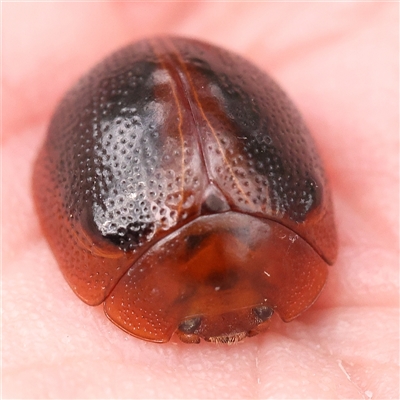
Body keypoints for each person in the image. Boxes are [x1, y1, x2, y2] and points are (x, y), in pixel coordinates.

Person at [3, 2, 398, 398]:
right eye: (259, 308)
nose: (229, 328)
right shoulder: (291, 209)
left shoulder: (121, 241)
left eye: (191, 321)